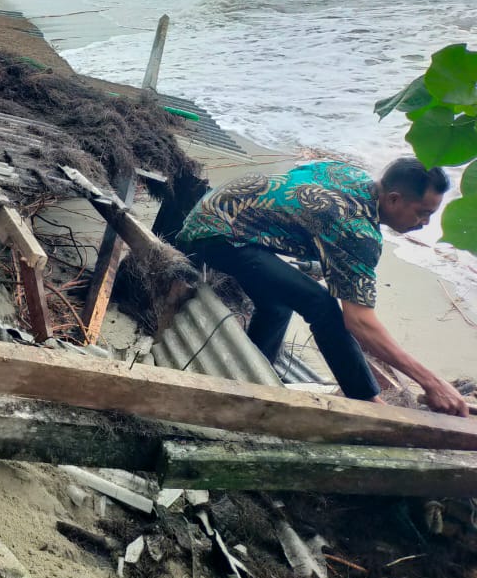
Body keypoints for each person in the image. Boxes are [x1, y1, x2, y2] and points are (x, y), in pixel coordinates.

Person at [177, 158, 469, 416]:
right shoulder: (357, 231)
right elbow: (359, 322)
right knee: (321, 305)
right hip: (217, 235)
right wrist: (431, 381)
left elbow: (302, 200)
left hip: (212, 210)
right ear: (393, 199)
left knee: (278, 305)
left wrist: (316, 266)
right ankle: (367, 401)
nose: (425, 223)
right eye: (422, 212)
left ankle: (250, 379)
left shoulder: (351, 175)